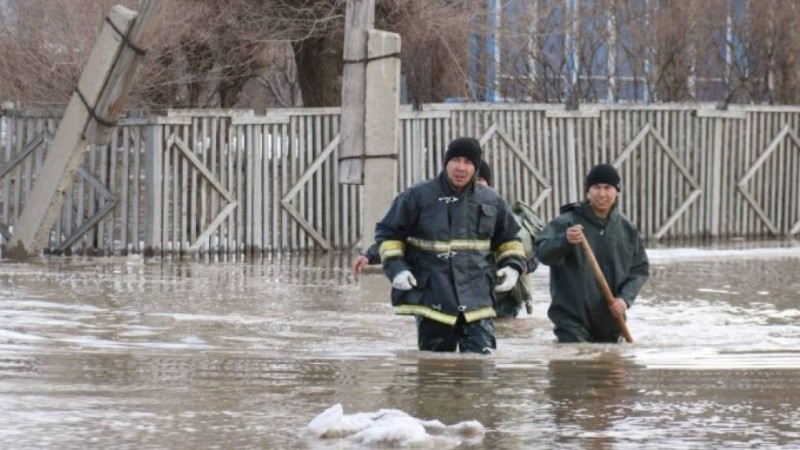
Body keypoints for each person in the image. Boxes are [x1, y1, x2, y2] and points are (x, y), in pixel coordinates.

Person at [374, 137, 526, 354]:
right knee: (435, 372)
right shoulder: (416, 196)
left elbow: (509, 240)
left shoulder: (492, 200)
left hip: (478, 299)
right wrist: (397, 269)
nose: (461, 167)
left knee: (481, 369)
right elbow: (388, 234)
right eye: (456, 160)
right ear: (446, 162)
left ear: (476, 167)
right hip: (433, 298)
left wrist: (513, 267)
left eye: (468, 162)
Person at [534, 163, 649, 343]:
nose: (602, 194)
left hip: (612, 322)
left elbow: (639, 270)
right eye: (596, 187)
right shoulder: (566, 222)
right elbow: (541, 253)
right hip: (571, 322)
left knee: (609, 364)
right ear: (588, 190)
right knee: (577, 363)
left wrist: (625, 300)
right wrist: (564, 240)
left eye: (607, 188)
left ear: (617, 191)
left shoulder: (628, 230)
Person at [475, 161, 543, 319]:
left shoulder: (504, 215)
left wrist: (522, 265)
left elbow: (535, 251)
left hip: (506, 297)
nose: (477, 189)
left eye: (481, 183)